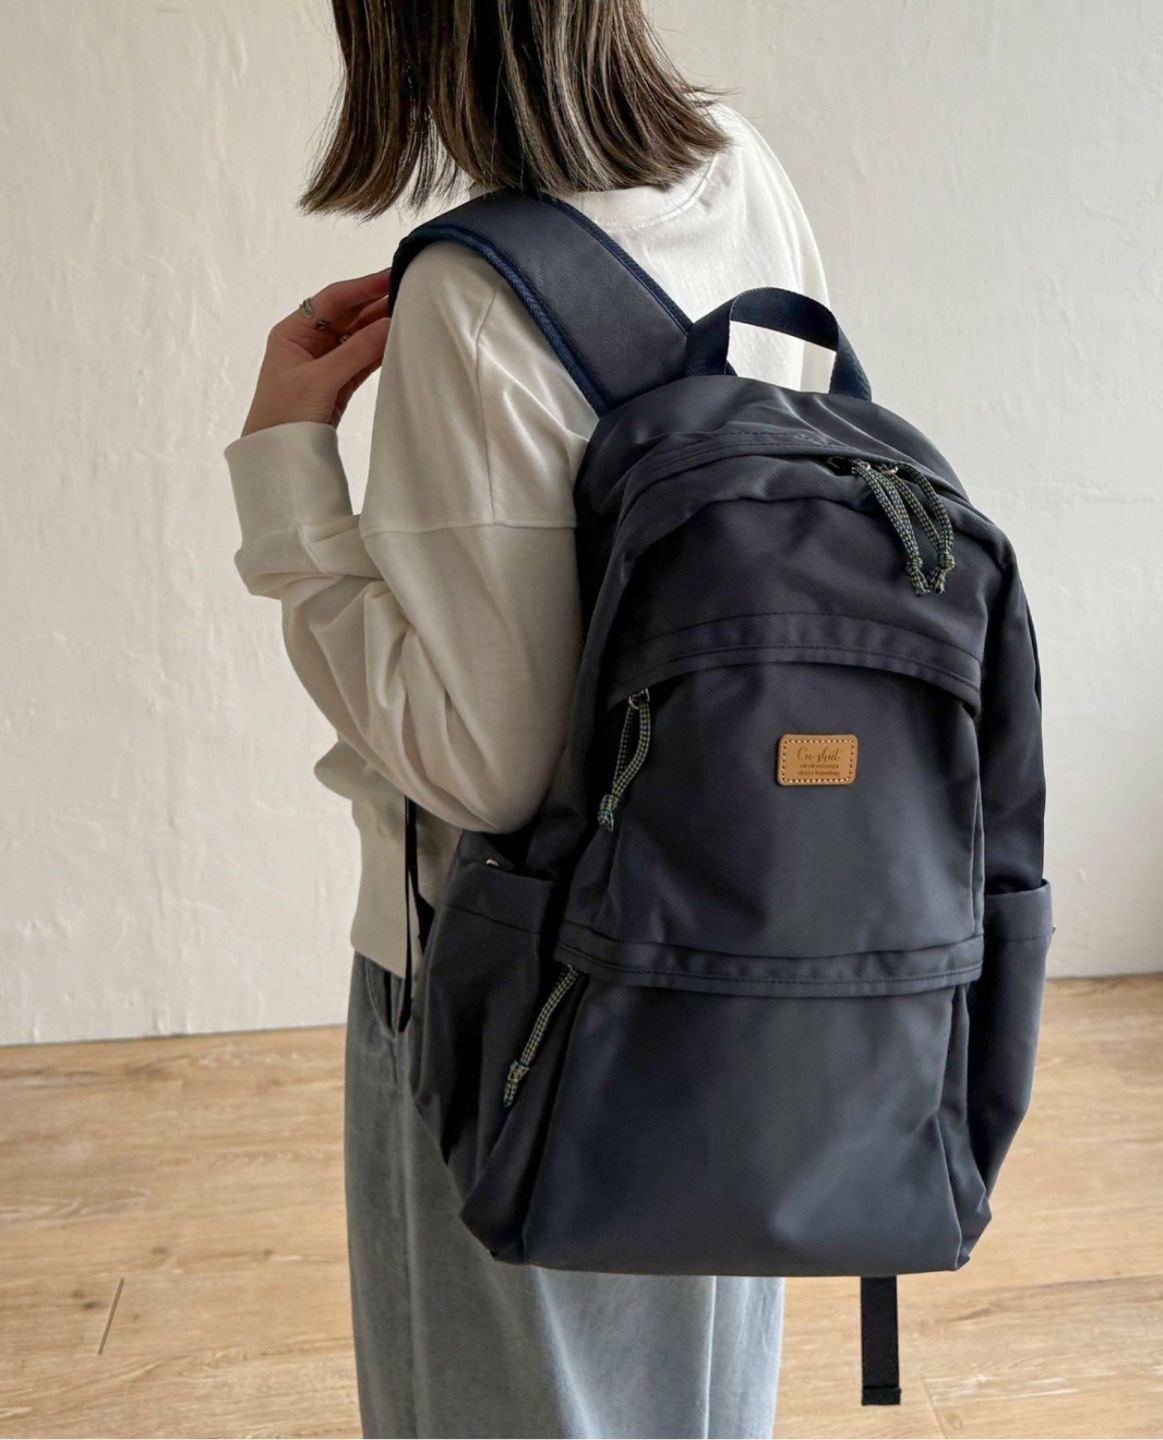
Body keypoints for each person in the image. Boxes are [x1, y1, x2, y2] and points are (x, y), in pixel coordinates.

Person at [226, 2, 832, 1434]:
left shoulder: (473, 296)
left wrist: (284, 468)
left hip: (510, 996)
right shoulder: (736, 166)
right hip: (741, 936)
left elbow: (485, 768)